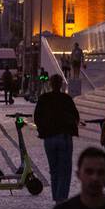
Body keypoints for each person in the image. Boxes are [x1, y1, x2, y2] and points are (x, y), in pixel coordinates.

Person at [33, 73, 80, 202]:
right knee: (65, 170)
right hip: (64, 137)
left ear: (50, 84)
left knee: (54, 169)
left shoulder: (44, 98)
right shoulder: (66, 99)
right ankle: (61, 198)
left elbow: (37, 117)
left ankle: (56, 197)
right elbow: (76, 116)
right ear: (61, 84)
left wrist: (42, 129)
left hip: (49, 138)